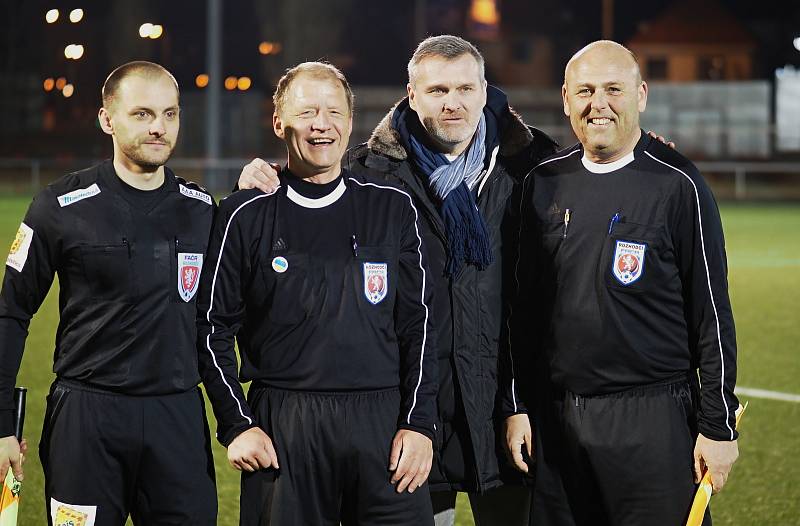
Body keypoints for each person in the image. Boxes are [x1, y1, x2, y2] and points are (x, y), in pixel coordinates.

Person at [239, 35, 559, 526]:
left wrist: (652, 151)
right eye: (436, 91)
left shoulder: (532, 164)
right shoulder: (371, 170)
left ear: (484, 89)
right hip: (411, 418)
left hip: (508, 407)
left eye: (464, 89)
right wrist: (260, 180)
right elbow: (309, 186)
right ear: (411, 95)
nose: (452, 103)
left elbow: (599, 190)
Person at [503, 40, 740, 526]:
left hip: (653, 420)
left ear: (641, 95)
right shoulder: (541, 184)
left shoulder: (679, 185)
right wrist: (518, 403)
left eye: (614, 89)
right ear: (566, 99)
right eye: (585, 91)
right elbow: (520, 312)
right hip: (558, 419)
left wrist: (717, 428)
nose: (599, 104)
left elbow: (711, 313)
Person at [196, 61, 437, 526]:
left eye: (333, 112)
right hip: (286, 424)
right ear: (279, 122)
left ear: (350, 123)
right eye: (306, 112)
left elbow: (420, 323)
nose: (321, 125)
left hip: (384, 425)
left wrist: (418, 422)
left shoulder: (390, 205)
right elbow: (211, 327)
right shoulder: (244, 214)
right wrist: (237, 425)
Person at [0, 61, 217, 524]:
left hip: (176, 417)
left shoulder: (203, 212)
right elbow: (11, 313)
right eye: (142, 114)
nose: (159, 128)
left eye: (170, 114)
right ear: (107, 119)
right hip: (86, 419)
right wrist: (1, 425)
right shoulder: (57, 207)